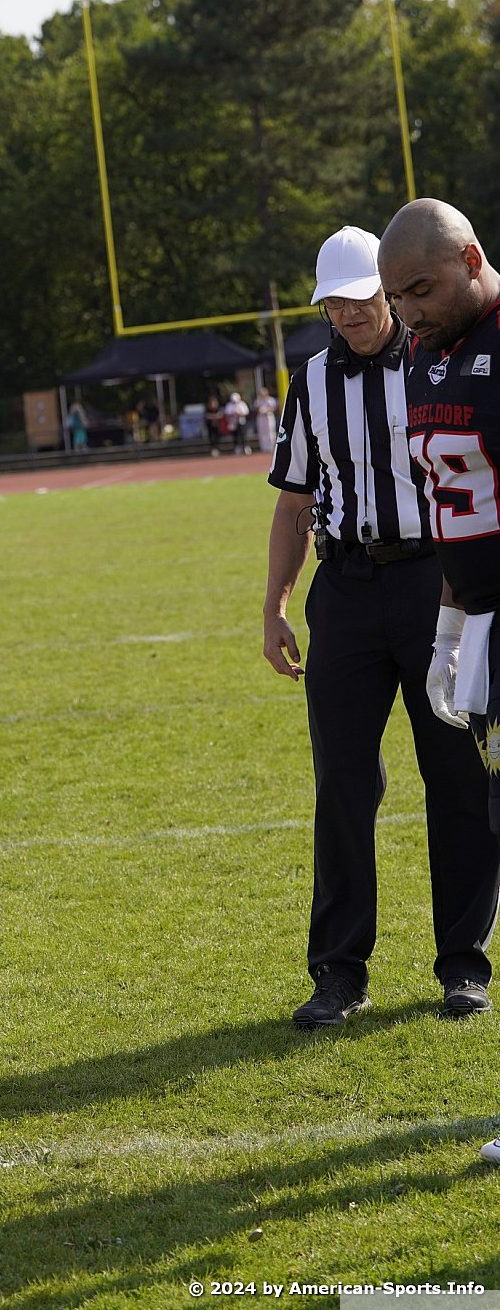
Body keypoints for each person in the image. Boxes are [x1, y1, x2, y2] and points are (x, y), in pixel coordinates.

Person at [262, 228, 500, 1032]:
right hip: (345, 588)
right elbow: (293, 500)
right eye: (331, 304)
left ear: (387, 292)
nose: (346, 315)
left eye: (358, 298)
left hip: (433, 581)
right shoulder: (309, 379)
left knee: (456, 775)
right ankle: (337, 972)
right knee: (341, 783)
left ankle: (462, 964)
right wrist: (275, 603)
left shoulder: (437, 361)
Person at [378, 198, 500, 1165]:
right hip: (486, 626)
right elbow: (454, 511)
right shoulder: (423, 356)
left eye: (419, 289)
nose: (406, 312)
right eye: (396, 298)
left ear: (468, 259)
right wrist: (451, 629)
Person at [254, 386, 278, 454]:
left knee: (270, 431)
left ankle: (271, 446)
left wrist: (266, 410)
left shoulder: (270, 400)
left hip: (268, 416)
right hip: (261, 417)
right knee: (262, 432)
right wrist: (260, 410)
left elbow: (273, 408)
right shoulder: (258, 400)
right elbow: (256, 409)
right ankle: (263, 447)